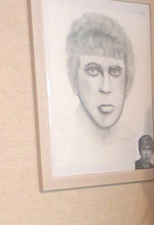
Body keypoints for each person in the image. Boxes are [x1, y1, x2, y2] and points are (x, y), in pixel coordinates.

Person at [51, 13, 137, 174]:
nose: (106, 88)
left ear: (128, 81)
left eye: (115, 71)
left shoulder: (134, 143)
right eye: (93, 71)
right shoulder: (58, 141)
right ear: (74, 79)